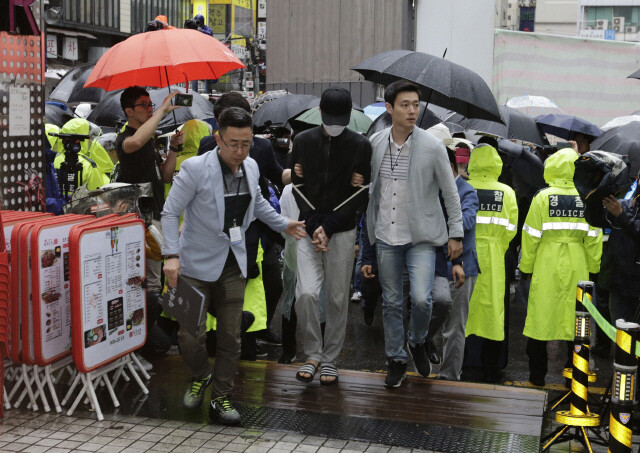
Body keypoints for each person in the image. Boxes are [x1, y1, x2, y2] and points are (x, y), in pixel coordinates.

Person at [161, 107, 305, 424]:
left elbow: (259, 206)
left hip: (233, 263)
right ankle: (200, 376)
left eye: (246, 143)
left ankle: (222, 396)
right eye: (233, 143)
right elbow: (170, 213)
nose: (240, 151)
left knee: (231, 337)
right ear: (218, 139)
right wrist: (171, 255)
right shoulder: (195, 169)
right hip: (193, 265)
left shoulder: (251, 166)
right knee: (189, 336)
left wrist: (285, 224)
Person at [366, 80, 463, 388]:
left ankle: (418, 340)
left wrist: (456, 233)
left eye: (415, 105)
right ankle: (395, 358)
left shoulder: (433, 146)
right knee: (392, 304)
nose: (411, 110)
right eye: (405, 105)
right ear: (390, 108)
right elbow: (368, 190)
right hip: (385, 236)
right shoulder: (376, 143)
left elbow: (450, 194)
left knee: (422, 300)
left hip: (421, 237)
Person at [291, 86, 372, 385]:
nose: (336, 123)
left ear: (349, 116)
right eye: (331, 117)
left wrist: (329, 226)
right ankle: (312, 353)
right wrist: (315, 226)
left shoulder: (361, 145)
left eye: (341, 118)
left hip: (341, 230)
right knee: (307, 293)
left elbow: (361, 194)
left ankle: (330, 359)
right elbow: (296, 186)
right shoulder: (302, 141)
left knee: (338, 298)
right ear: (321, 113)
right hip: (308, 229)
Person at [199, 92, 291, 346]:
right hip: (220, 232)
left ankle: (257, 329)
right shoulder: (208, 146)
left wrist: (301, 172)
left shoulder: (261, 146)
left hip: (256, 230)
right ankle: (224, 335)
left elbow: (276, 175)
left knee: (270, 282)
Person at [521, 148, 602, 386]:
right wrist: (593, 268)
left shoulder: (542, 197)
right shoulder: (588, 197)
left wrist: (526, 266)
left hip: (547, 262)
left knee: (539, 318)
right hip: (578, 262)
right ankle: (573, 379)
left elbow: (531, 235)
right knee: (576, 320)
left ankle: (537, 377)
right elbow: (594, 236)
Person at [464, 144, 518, 383]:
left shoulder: (463, 188)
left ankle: (462, 362)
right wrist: (497, 247)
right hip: (495, 257)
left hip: (466, 254)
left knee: (464, 308)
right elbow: (510, 229)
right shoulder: (506, 192)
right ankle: (491, 368)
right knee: (493, 310)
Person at [437, 148, 479, 381]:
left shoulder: (467, 190)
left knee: (454, 327)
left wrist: (436, 225)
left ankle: (449, 376)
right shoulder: (434, 189)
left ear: (449, 166)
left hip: (462, 266)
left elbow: (466, 221)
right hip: (436, 262)